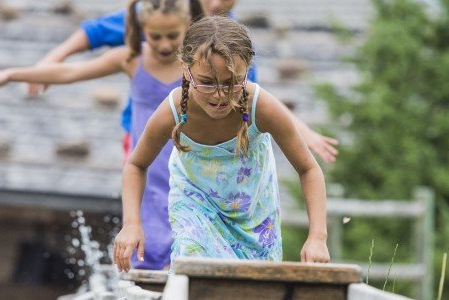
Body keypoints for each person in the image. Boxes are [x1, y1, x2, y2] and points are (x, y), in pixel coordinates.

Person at [0, 0, 199, 270]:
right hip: (148, 164)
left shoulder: (195, 65)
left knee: (186, 232)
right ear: (142, 29)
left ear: (187, 27)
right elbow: (70, 71)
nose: (165, 44)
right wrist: (10, 75)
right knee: (147, 235)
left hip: (186, 163)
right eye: (155, 36)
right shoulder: (131, 59)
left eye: (173, 36)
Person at [112, 16, 330, 273]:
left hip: (253, 215)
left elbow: (309, 169)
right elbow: (136, 164)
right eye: (206, 81)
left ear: (247, 70)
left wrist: (318, 237)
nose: (220, 95)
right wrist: (131, 223)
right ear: (185, 69)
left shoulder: (261, 106)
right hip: (195, 204)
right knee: (191, 264)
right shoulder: (172, 111)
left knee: (252, 287)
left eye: (231, 82)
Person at [28, 0, 340, 162]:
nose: (217, 4)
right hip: (146, 130)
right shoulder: (166, 12)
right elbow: (95, 33)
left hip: (200, 138)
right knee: (147, 191)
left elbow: (254, 96)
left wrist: (303, 131)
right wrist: (52, 58)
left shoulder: (230, 44)